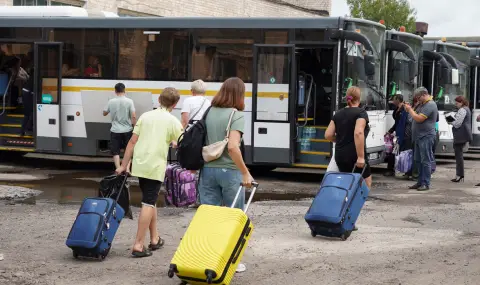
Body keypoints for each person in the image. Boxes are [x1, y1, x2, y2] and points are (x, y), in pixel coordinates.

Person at [115, 87, 183, 258]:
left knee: (150, 200)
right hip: (155, 166)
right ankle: (138, 244)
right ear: (174, 104)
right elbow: (183, 142)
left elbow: (131, 142)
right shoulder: (172, 121)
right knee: (148, 202)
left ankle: (154, 239)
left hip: (140, 164)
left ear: (159, 100)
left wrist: (123, 165)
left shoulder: (145, 116)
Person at [198, 77, 254, 273]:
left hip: (208, 170)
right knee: (233, 218)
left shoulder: (209, 112)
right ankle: (232, 261)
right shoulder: (236, 115)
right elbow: (232, 147)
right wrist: (245, 172)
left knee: (208, 217)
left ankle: (207, 258)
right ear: (239, 94)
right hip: (230, 172)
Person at [325, 86, 372, 188]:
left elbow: (328, 135)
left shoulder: (338, 114)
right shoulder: (361, 113)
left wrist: (340, 139)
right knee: (365, 185)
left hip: (340, 155)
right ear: (359, 98)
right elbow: (358, 133)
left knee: (346, 185)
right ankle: (353, 204)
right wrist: (360, 157)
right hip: (354, 155)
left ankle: (344, 203)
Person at [180, 79, 212, 208]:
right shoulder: (209, 102)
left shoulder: (188, 101)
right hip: (204, 135)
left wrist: (179, 137)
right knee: (203, 164)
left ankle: (189, 198)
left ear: (192, 91)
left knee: (191, 166)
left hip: (191, 136)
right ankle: (202, 198)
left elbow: (184, 121)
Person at [404, 87, 438, 191]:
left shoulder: (431, 105)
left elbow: (419, 118)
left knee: (425, 160)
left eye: (419, 97)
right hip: (418, 137)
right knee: (418, 160)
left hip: (426, 136)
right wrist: (410, 109)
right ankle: (419, 182)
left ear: (424, 95)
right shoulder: (421, 104)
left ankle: (426, 183)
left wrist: (410, 110)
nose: (417, 100)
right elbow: (412, 116)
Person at [103, 83, 136, 171]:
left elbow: (104, 113)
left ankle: (118, 168)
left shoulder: (111, 101)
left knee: (115, 151)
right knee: (128, 150)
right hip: (127, 130)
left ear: (115, 91)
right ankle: (127, 169)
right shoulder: (129, 101)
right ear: (124, 90)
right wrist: (134, 126)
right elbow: (133, 116)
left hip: (115, 130)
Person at [384, 94, 409, 176]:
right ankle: (391, 169)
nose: (393, 101)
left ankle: (405, 170)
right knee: (393, 151)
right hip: (397, 132)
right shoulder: (396, 109)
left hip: (403, 134)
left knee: (401, 152)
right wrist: (390, 131)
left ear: (398, 100)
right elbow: (396, 122)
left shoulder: (404, 109)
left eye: (394, 99)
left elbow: (403, 123)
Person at [451, 96, 472, 183]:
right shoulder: (467, 109)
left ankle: (459, 175)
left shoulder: (462, 110)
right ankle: (459, 175)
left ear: (461, 102)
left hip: (461, 135)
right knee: (459, 155)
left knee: (458, 155)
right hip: (463, 134)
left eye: (457, 103)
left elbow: (457, 124)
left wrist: (450, 120)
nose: (456, 105)